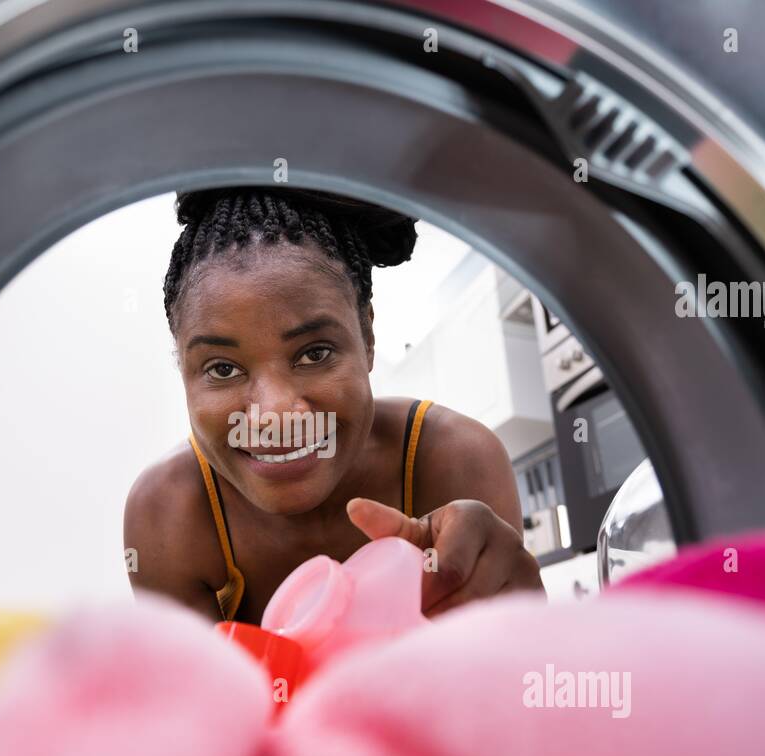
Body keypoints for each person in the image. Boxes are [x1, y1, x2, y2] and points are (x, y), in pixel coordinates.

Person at [124, 186, 543, 625]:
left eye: (314, 353)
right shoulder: (168, 516)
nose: (273, 415)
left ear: (367, 335)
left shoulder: (455, 460)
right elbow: (205, 694)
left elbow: (511, 673)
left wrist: (517, 622)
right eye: (223, 369)